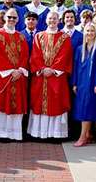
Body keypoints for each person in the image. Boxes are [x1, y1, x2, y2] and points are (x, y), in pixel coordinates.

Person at [28, 11, 74, 139]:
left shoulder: (65, 38)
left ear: (59, 21)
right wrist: (43, 68)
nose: (52, 21)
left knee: (56, 104)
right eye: (50, 19)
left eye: (54, 19)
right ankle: (39, 133)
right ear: (46, 20)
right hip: (41, 76)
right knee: (39, 103)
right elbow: (35, 55)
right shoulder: (39, 36)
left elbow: (65, 56)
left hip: (57, 77)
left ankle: (55, 134)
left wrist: (53, 70)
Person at [0, 8, 30, 141]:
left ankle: (15, 134)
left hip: (18, 77)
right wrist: (11, 71)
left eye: (14, 18)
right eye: (9, 17)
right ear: (4, 18)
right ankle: (2, 134)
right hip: (4, 77)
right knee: (2, 103)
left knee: (16, 104)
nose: (11, 20)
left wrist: (20, 70)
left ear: (18, 20)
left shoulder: (21, 36)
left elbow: (25, 55)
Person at [71, 22, 96, 147]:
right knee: (83, 109)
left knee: (86, 110)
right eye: (88, 31)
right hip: (81, 83)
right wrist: (74, 83)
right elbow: (75, 66)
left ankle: (82, 137)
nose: (90, 33)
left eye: (92, 31)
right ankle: (88, 134)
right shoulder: (80, 49)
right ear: (84, 32)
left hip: (92, 84)